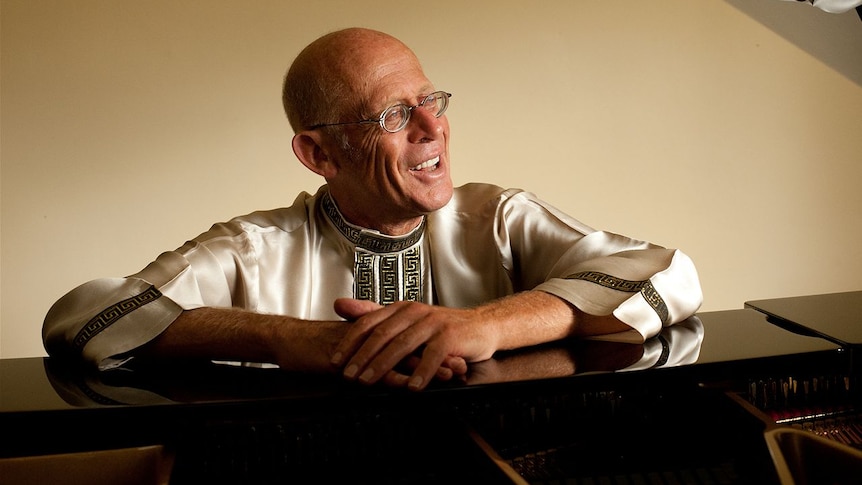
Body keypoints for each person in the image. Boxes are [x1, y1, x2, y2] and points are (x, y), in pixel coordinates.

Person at [43, 28, 703, 391]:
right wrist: (296, 339)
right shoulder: (254, 249)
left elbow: (671, 276)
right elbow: (84, 317)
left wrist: (485, 326)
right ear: (320, 152)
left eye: (431, 100)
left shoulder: (497, 218)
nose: (431, 127)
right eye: (394, 114)